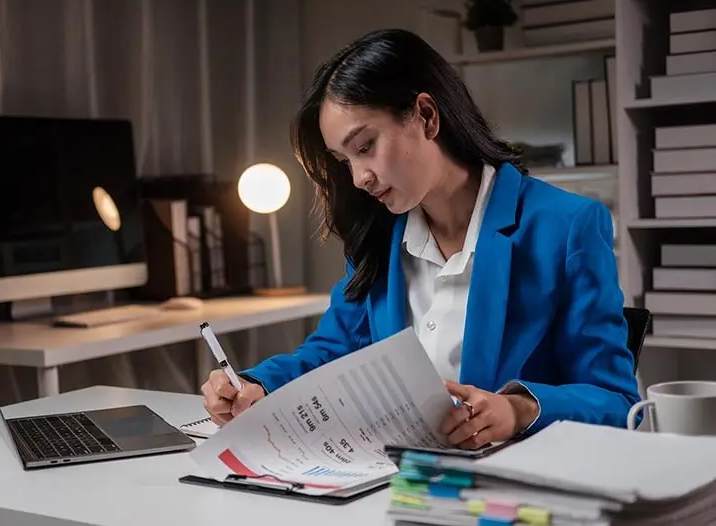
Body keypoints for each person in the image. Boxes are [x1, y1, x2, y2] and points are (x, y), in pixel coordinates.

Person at [201, 28, 640, 448]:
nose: (358, 178)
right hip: (389, 478)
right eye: (344, 159)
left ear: (426, 116)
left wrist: (517, 410)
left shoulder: (567, 226)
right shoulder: (378, 234)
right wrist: (256, 384)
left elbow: (617, 401)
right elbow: (332, 351)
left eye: (365, 146)